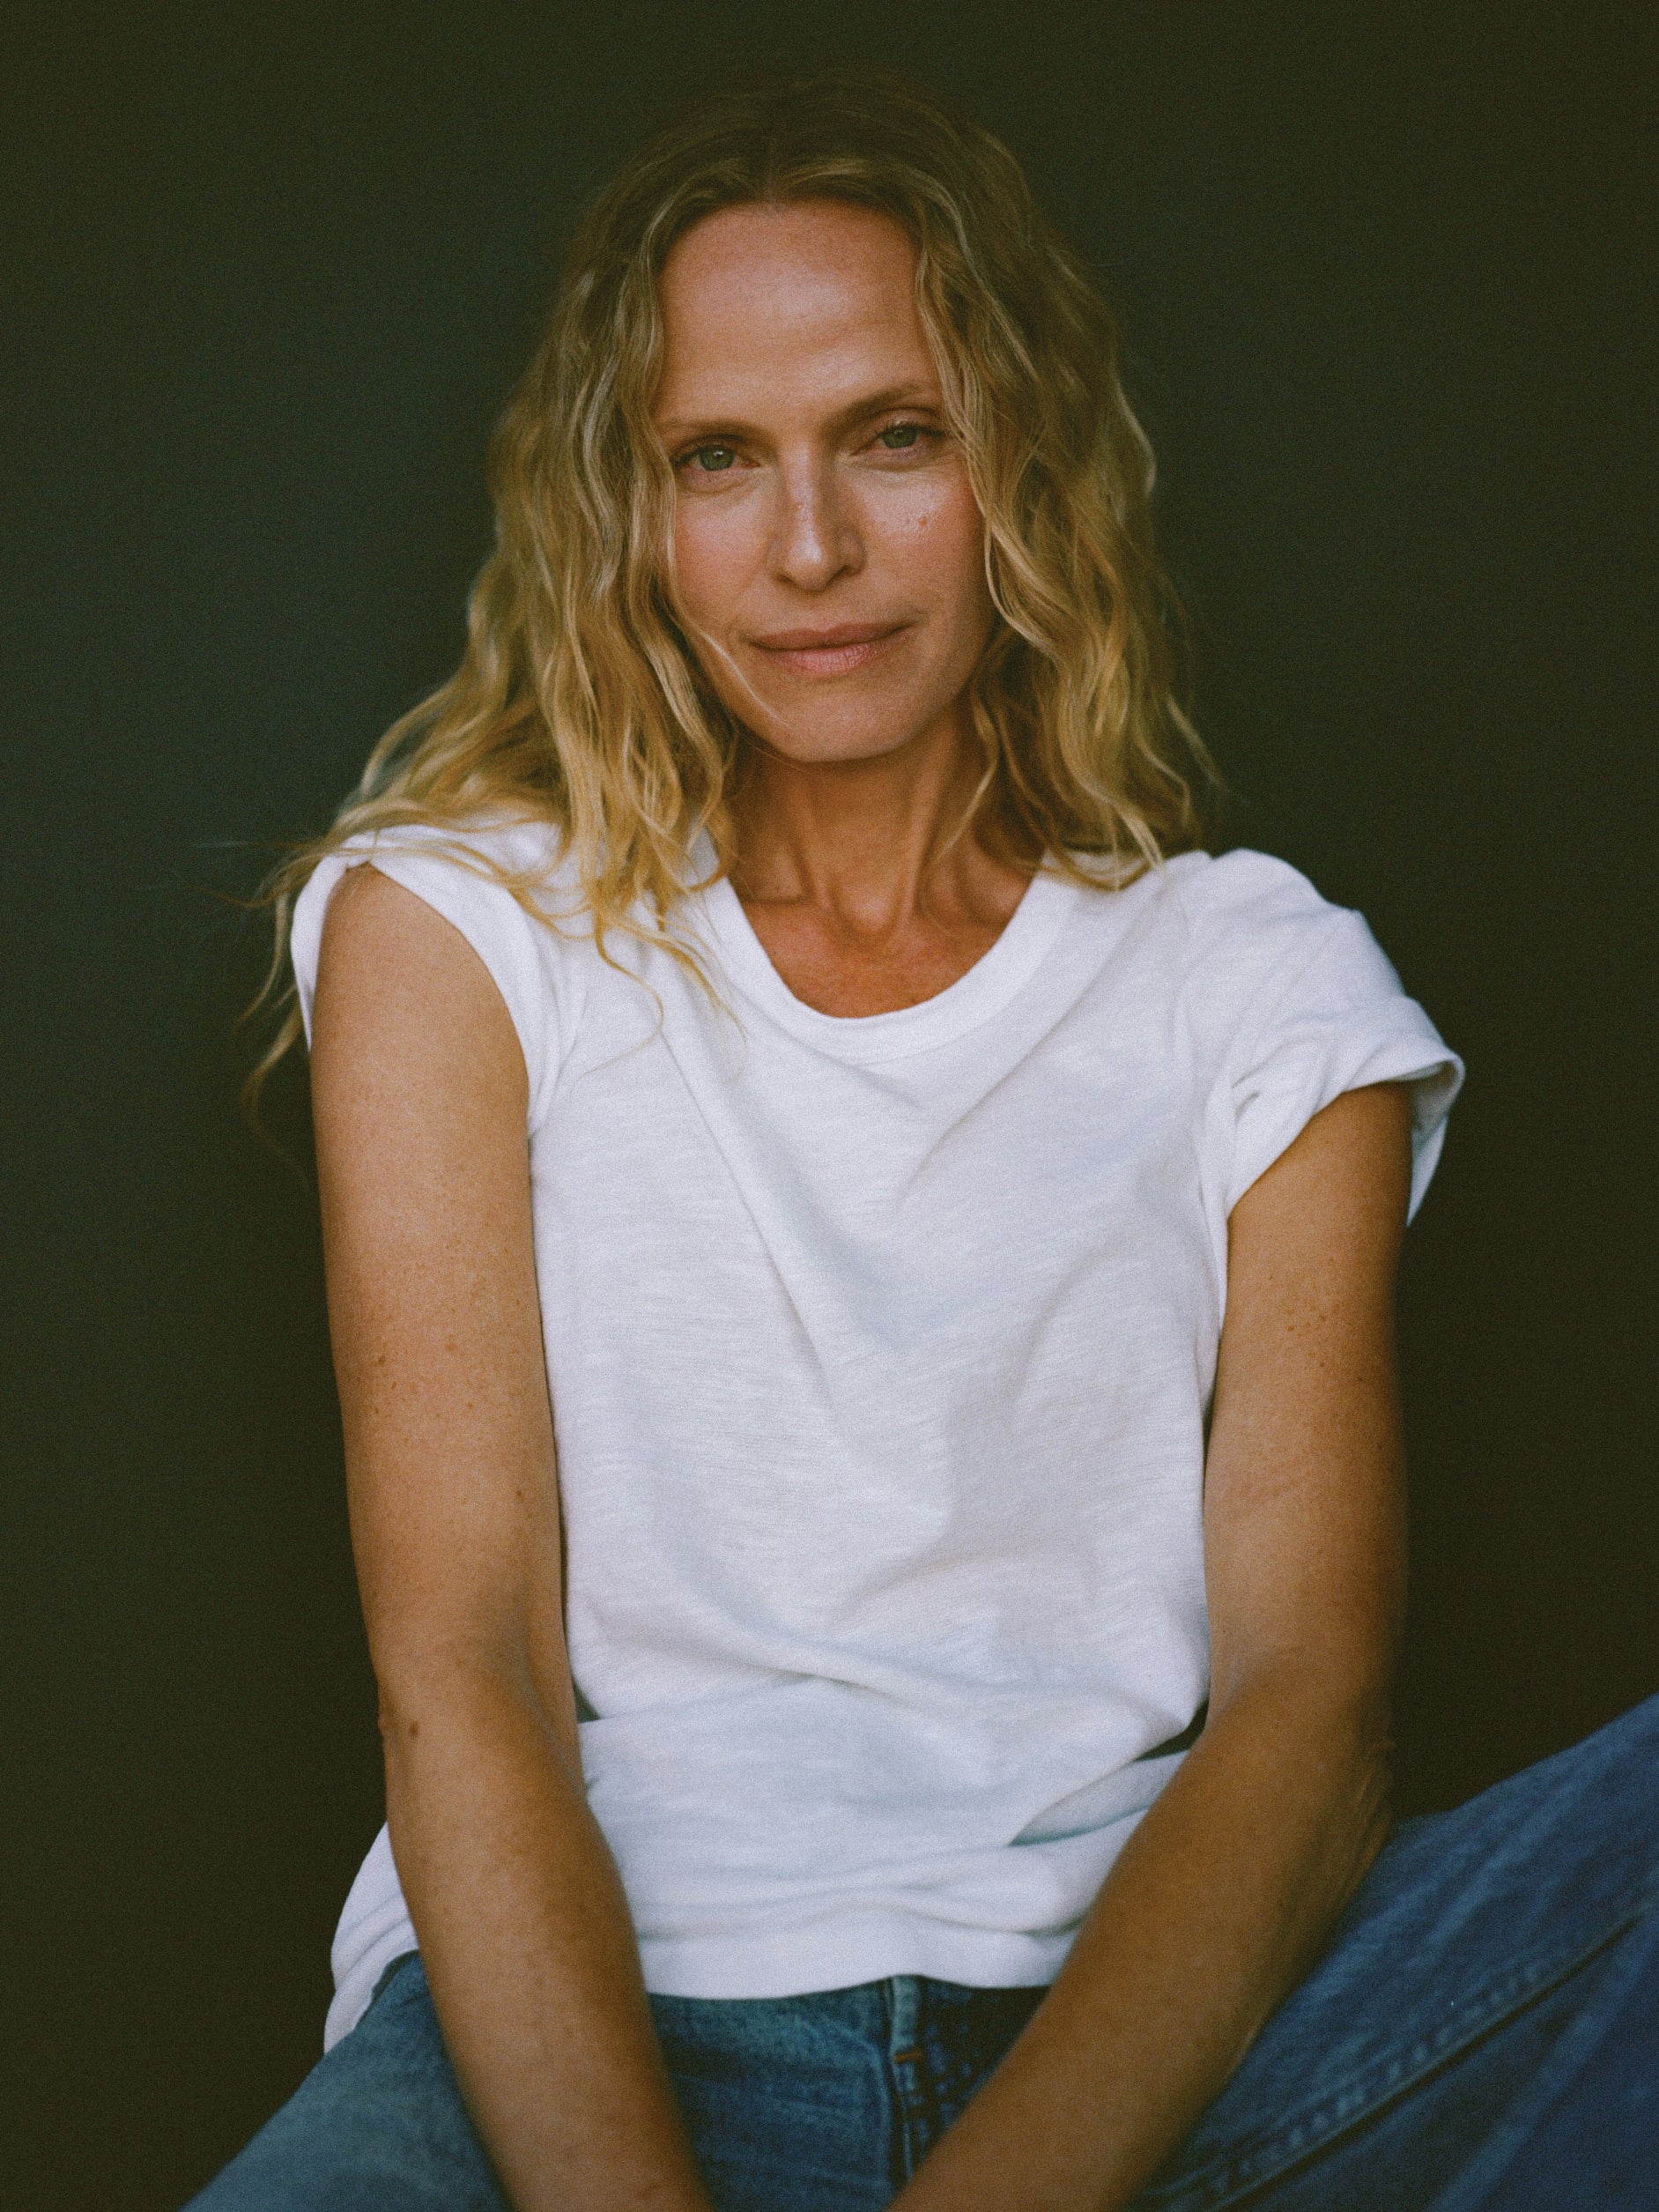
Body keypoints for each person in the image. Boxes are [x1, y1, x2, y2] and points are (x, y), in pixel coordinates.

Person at [191, 68, 1657, 2212]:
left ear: (1023, 465)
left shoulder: (1254, 978)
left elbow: (1310, 1706)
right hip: (601, 2032)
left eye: (895, 433)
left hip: (1161, 2046)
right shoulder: (464, 928)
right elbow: (464, 1668)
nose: (810, 546)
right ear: (629, 515)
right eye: (717, 457)